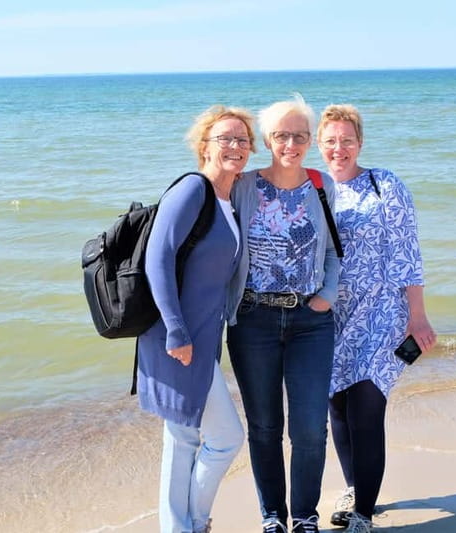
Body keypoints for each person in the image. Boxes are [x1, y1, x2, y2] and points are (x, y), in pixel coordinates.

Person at [316, 104, 437, 533]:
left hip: (384, 311)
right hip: (331, 316)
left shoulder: (384, 184)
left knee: (367, 404)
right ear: (319, 144)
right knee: (338, 405)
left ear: (360, 143)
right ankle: (353, 488)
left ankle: (363, 515)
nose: (339, 148)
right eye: (330, 141)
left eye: (347, 140)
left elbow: (408, 252)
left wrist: (417, 316)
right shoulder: (314, 189)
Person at [137, 105, 256, 533]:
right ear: (204, 145)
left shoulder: (229, 199)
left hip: (202, 339)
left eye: (243, 140)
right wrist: (175, 329)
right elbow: (158, 257)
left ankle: (181, 527)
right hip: (176, 337)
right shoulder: (193, 189)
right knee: (225, 439)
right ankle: (194, 522)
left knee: (184, 437)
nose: (236, 146)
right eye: (226, 138)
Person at [226, 94, 340, 533]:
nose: (290, 143)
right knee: (264, 427)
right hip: (253, 319)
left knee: (310, 428)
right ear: (267, 140)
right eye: (281, 135)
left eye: (299, 135)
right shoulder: (245, 186)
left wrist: (327, 294)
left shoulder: (320, 185)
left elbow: (333, 250)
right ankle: (272, 516)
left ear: (310, 140)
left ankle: (305, 517)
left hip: (311, 323)